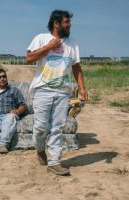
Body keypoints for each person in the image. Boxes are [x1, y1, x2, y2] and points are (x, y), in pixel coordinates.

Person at [26, 10, 88, 175]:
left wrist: (82, 88)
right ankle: (40, 149)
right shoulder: (41, 38)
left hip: (63, 92)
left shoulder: (72, 43)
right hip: (42, 90)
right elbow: (29, 58)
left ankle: (54, 162)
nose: (70, 25)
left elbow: (76, 67)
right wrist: (49, 47)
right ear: (56, 23)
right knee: (40, 128)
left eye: (69, 22)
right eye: (67, 22)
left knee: (57, 128)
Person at [0, 69, 26, 154]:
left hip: (8, 114)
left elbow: (23, 106)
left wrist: (17, 111)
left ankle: (3, 144)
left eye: (4, 76)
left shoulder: (14, 90)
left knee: (11, 117)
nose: (2, 79)